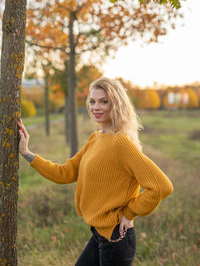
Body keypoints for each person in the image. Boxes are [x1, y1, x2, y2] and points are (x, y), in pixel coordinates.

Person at [18, 77, 174, 266]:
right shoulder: (95, 138)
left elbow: (161, 186)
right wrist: (27, 153)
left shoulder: (121, 143)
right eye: (92, 101)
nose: (95, 107)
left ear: (116, 104)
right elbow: (65, 172)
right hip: (101, 234)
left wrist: (129, 213)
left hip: (117, 238)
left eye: (103, 101)